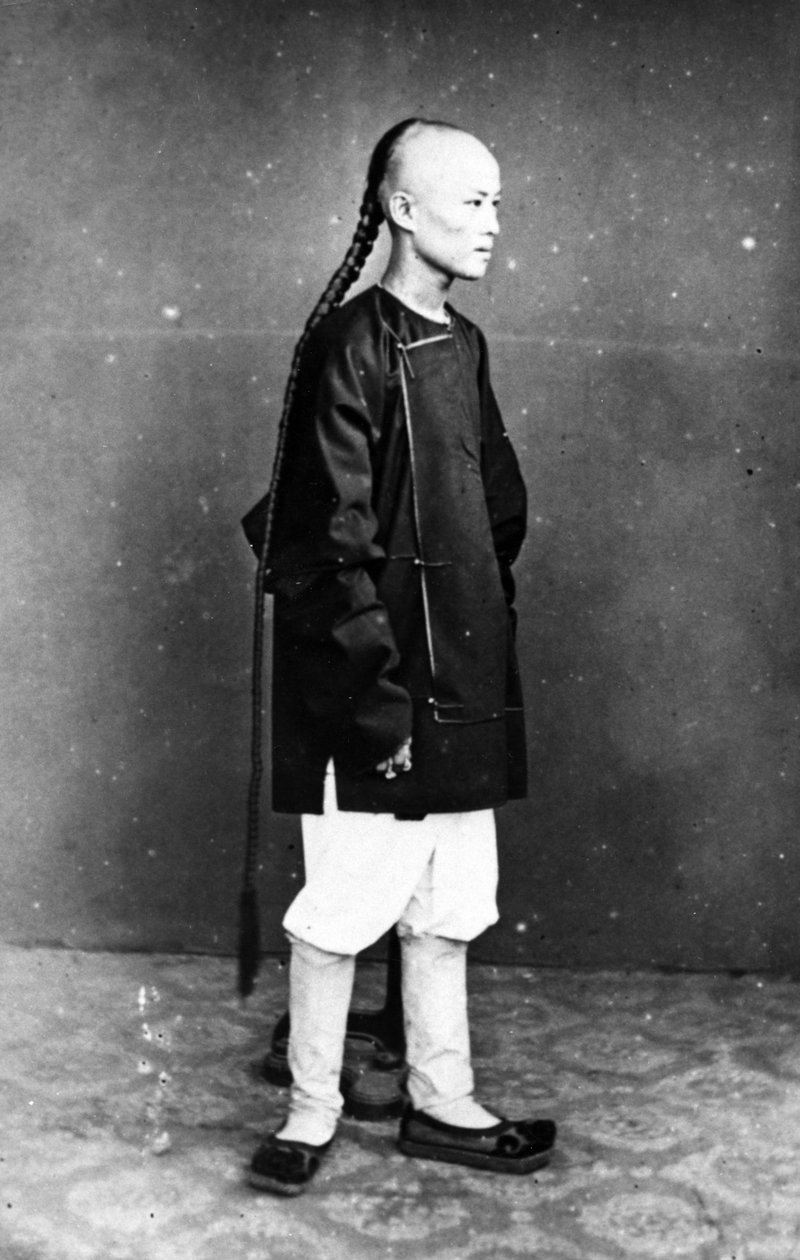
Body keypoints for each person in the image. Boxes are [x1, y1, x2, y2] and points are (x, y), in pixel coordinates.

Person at [246, 118, 556, 1195]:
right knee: (344, 908)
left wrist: (472, 631)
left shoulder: (463, 344)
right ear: (402, 209)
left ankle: (441, 1098)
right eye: (472, 201)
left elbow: (495, 507)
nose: (493, 223)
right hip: (369, 687)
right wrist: (377, 708)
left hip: (458, 680)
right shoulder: (350, 345)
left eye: (498, 201)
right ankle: (309, 1110)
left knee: (447, 905)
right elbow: (325, 545)